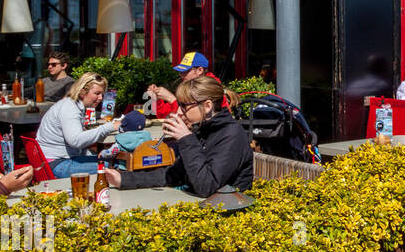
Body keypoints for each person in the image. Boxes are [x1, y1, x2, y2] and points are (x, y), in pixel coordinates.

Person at [114, 77, 251, 197]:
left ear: (207, 106)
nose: (179, 112)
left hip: (225, 215)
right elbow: (173, 175)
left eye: (184, 106)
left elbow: (207, 187)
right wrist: (124, 179)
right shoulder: (202, 129)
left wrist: (186, 139)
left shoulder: (231, 134)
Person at [34, 73, 124, 180]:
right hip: (56, 164)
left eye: (102, 94)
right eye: (97, 93)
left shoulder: (72, 105)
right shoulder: (69, 108)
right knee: (115, 166)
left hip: (56, 160)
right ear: (82, 92)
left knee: (110, 160)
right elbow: (75, 140)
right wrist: (109, 127)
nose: (101, 98)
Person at [147, 52, 212, 116]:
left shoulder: (210, 87)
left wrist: (171, 99)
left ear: (200, 70)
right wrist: (157, 100)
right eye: (180, 72)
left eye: (185, 71)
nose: (182, 75)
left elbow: (194, 117)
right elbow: (164, 115)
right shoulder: (188, 86)